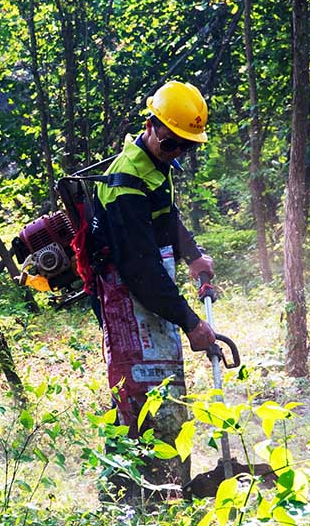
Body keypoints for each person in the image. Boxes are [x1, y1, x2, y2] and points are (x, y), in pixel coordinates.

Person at [91, 80, 216, 502]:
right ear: (150, 126)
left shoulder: (155, 166)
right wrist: (191, 322)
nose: (176, 151)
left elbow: (166, 215)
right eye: (170, 143)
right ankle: (129, 500)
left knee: (165, 392)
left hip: (151, 298)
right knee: (140, 397)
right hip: (128, 299)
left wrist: (193, 255)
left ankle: (168, 492)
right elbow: (141, 272)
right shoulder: (125, 181)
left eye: (185, 145)